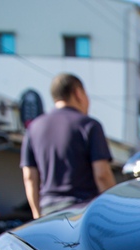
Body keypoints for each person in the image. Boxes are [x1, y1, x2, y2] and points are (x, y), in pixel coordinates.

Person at [20, 73, 115, 218]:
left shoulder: (33, 128)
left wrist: (36, 213)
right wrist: (113, 209)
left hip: (49, 211)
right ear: (78, 93)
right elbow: (102, 175)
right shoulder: (89, 125)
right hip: (84, 210)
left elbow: (29, 177)